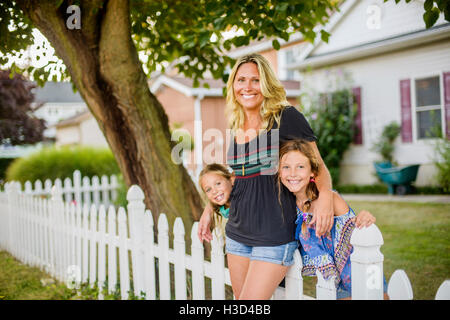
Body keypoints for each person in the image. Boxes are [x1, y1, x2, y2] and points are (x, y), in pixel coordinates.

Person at [197, 53, 335, 300]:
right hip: (238, 234)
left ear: (267, 83)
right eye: (241, 80)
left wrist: (325, 196)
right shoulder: (237, 123)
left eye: (255, 80)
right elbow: (238, 178)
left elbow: (318, 166)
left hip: (273, 235)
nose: (247, 87)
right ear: (233, 86)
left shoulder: (285, 117)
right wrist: (210, 209)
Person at [278, 139, 389, 299]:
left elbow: (353, 229)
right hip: (331, 284)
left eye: (300, 166)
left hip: (363, 273)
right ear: (279, 172)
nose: (293, 173)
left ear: (312, 172)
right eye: (286, 167)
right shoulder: (290, 207)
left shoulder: (329, 200)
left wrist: (364, 218)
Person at [198, 163, 234, 236]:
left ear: (231, 180)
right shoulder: (221, 208)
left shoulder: (242, 194)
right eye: (208, 189)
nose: (214, 191)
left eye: (218, 183)